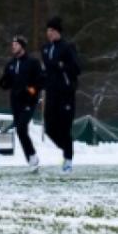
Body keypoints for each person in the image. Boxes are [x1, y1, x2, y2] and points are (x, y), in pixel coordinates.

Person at [0, 35, 44, 171]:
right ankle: (31, 159)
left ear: (22, 46)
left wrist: (31, 91)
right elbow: (7, 83)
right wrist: (2, 83)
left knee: (22, 128)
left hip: (29, 101)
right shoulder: (11, 64)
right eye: (12, 44)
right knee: (20, 131)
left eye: (16, 44)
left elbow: (40, 81)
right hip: (15, 102)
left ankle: (32, 158)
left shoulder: (32, 62)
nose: (13, 46)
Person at [40, 17, 80, 173]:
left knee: (64, 128)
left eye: (52, 30)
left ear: (58, 32)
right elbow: (46, 72)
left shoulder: (68, 47)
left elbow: (77, 68)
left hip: (66, 94)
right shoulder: (45, 49)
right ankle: (67, 148)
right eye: (47, 30)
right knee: (49, 128)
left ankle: (68, 160)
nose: (49, 33)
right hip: (51, 93)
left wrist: (63, 66)